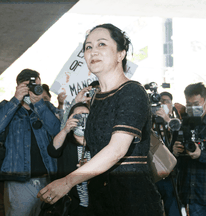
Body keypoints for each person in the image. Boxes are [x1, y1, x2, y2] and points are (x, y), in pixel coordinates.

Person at [37, 23, 163, 216]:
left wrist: (67, 181)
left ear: (120, 54)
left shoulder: (132, 91)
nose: (93, 51)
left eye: (101, 44)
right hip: (100, 199)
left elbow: (116, 150)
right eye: (88, 47)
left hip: (132, 199)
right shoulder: (95, 98)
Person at [0, 69, 61, 216]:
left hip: (47, 178)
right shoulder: (6, 106)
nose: (35, 89)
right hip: (18, 180)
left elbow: (56, 130)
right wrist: (16, 99)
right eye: (29, 85)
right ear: (19, 86)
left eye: (38, 85)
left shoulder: (46, 107)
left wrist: (39, 104)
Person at [47, 88, 92, 215]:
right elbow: (52, 151)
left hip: (93, 205)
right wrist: (65, 129)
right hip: (69, 204)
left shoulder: (96, 144)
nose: (82, 119)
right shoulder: (65, 141)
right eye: (77, 116)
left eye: (86, 115)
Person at [173, 82, 206, 216]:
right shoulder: (184, 124)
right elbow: (178, 163)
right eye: (189, 104)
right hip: (193, 194)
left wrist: (201, 155)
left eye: (196, 103)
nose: (192, 107)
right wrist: (175, 152)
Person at [154, 91, 181, 216]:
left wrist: (167, 119)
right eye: (161, 102)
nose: (164, 104)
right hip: (154, 173)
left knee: (173, 209)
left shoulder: (176, 122)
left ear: (172, 105)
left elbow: (181, 136)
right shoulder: (150, 122)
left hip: (172, 175)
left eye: (167, 101)